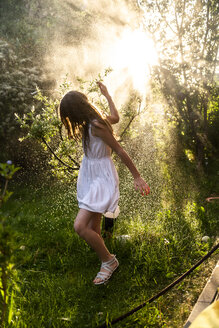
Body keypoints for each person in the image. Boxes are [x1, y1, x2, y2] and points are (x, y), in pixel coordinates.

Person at [59, 82, 150, 285]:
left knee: (80, 226)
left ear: (75, 111)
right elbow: (116, 118)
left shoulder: (96, 125)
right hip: (91, 175)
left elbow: (119, 150)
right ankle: (104, 257)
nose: (69, 121)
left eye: (68, 116)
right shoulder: (93, 122)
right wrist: (108, 95)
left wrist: (137, 176)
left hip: (101, 177)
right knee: (94, 227)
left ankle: (109, 261)